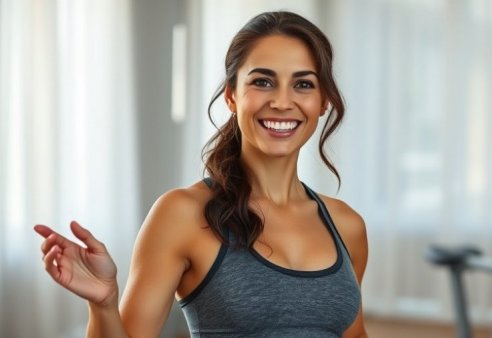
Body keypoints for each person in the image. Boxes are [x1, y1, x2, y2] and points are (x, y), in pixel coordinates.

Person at [34, 11, 368, 338]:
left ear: (323, 102)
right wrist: (104, 305)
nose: (282, 101)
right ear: (232, 96)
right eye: (262, 82)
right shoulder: (181, 214)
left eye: (303, 84)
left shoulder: (347, 226)